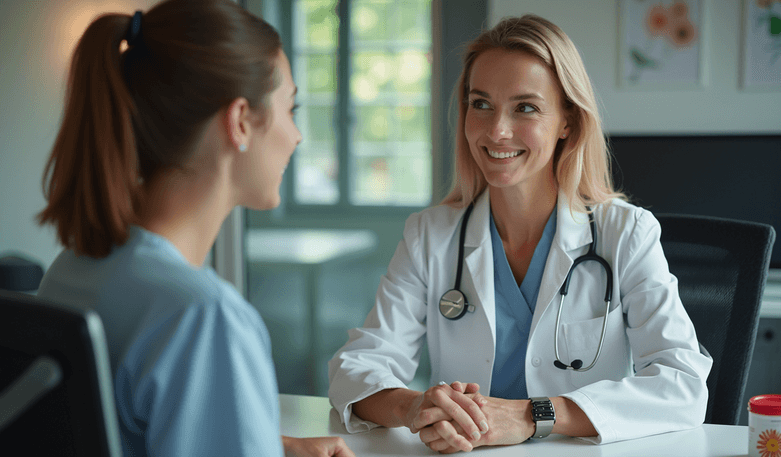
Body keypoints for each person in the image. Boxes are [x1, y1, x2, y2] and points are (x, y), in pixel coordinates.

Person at [328, 14, 713, 453]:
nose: (496, 131)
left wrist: (532, 416)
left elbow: (682, 384)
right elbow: (354, 369)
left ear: (567, 120)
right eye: (481, 103)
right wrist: (416, 408)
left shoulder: (625, 234)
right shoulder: (430, 236)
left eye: (525, 107)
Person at [36, 1, 354, 456]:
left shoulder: (71, 269)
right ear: (240, 121)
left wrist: (271, 446)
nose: (297, 136)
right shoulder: (203, 318)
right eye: (291, 108)